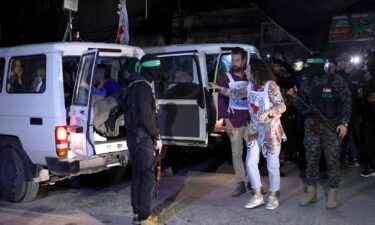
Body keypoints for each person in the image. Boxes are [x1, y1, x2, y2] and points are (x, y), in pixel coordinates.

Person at [288, 54, 351, 209]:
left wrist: (344, 123)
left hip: (332, 127)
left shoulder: (336, 80)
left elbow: (347, 101)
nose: (308, 70)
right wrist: (292, 97)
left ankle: (332, 193)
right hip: (312, 126)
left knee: (332, 161)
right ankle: (311, 192)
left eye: (310, 66)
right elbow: (301, 105)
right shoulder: (306, 81)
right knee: (311, 159)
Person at [124, 54, 164, 225]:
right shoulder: (144, 88)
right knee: (147, 177)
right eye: (156, 68)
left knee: (137, 176)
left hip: (133, 137)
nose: (158, 71)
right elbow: (146, 117)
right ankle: (144, 217)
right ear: (150, 69)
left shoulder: (133, 84)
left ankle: (137, 212)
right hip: (143, 139)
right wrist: (157, 136)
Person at [243, 59, 287, 210]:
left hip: (270, 129)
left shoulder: (270, 85)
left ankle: (273, 197)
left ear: (255, 70)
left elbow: (281, 106)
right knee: (250, 162)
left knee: (272, 164)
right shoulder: (249, 86)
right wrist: (218, 88)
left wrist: (268, 113)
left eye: (247, 69)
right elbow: (235, 93)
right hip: (254, 129)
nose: (245, 72)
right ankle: (258, 195)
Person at [217, 47, 250, 197]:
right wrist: (226, 121)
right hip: (234, 121)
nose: (235, 63)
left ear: (243, 61)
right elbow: (221, 100)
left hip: (249, 122)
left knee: (253, 152)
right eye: (233, 60)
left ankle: (253, 181)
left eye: (238, 60)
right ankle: (240, 183)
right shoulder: (225, 77)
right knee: (237, 154)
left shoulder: (249, 76)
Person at [358, 48, 375, 177]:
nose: (365, 59)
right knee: (367, 140)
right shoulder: (365, 70)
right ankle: (371, 165)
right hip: (367, 112)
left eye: (367, 57)